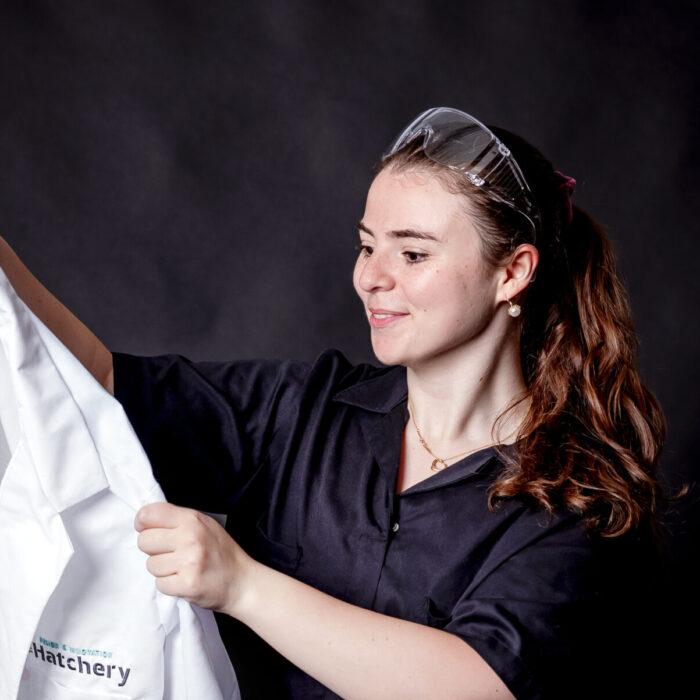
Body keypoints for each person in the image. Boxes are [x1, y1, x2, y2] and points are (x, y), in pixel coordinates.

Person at [0, 107, 663, 699]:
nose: (371, 277)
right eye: (367, 245)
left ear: (511, 272)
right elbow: (97, 378)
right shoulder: (306, 409)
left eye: (412, 252)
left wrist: (243, 585)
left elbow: (476, 683)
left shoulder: (578, 497)